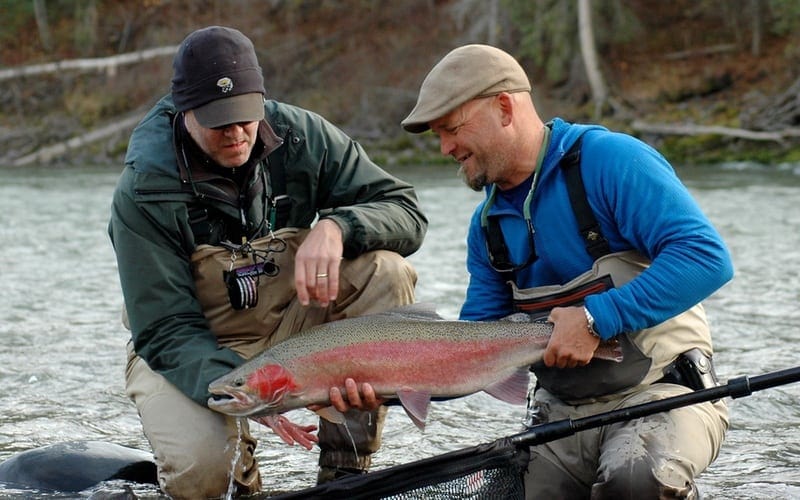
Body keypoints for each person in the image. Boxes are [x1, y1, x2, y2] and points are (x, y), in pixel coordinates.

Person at [108, 26, 427, 498]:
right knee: (201, 475)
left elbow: (406, 212)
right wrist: (257, 396)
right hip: (185, 345)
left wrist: (338, 226)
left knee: (386, 270)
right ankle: (243, 485)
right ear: (185, 111)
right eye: (219, 121)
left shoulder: (303, 137)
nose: (237, 132)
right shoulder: (143, 190)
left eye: (245, 115)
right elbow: (165, 329)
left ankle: (346, 472)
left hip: (290, 323)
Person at [401, 44, 733, 499]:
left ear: (503, 107)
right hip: (561, 418)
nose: (445, 148)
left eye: (451, 129)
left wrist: (597, 320)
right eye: (437, 136)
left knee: (634, 481)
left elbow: (706, 257)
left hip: (665, 397)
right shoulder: (487, 229)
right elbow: (474, 348)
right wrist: (390, 382)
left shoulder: (611, 161)